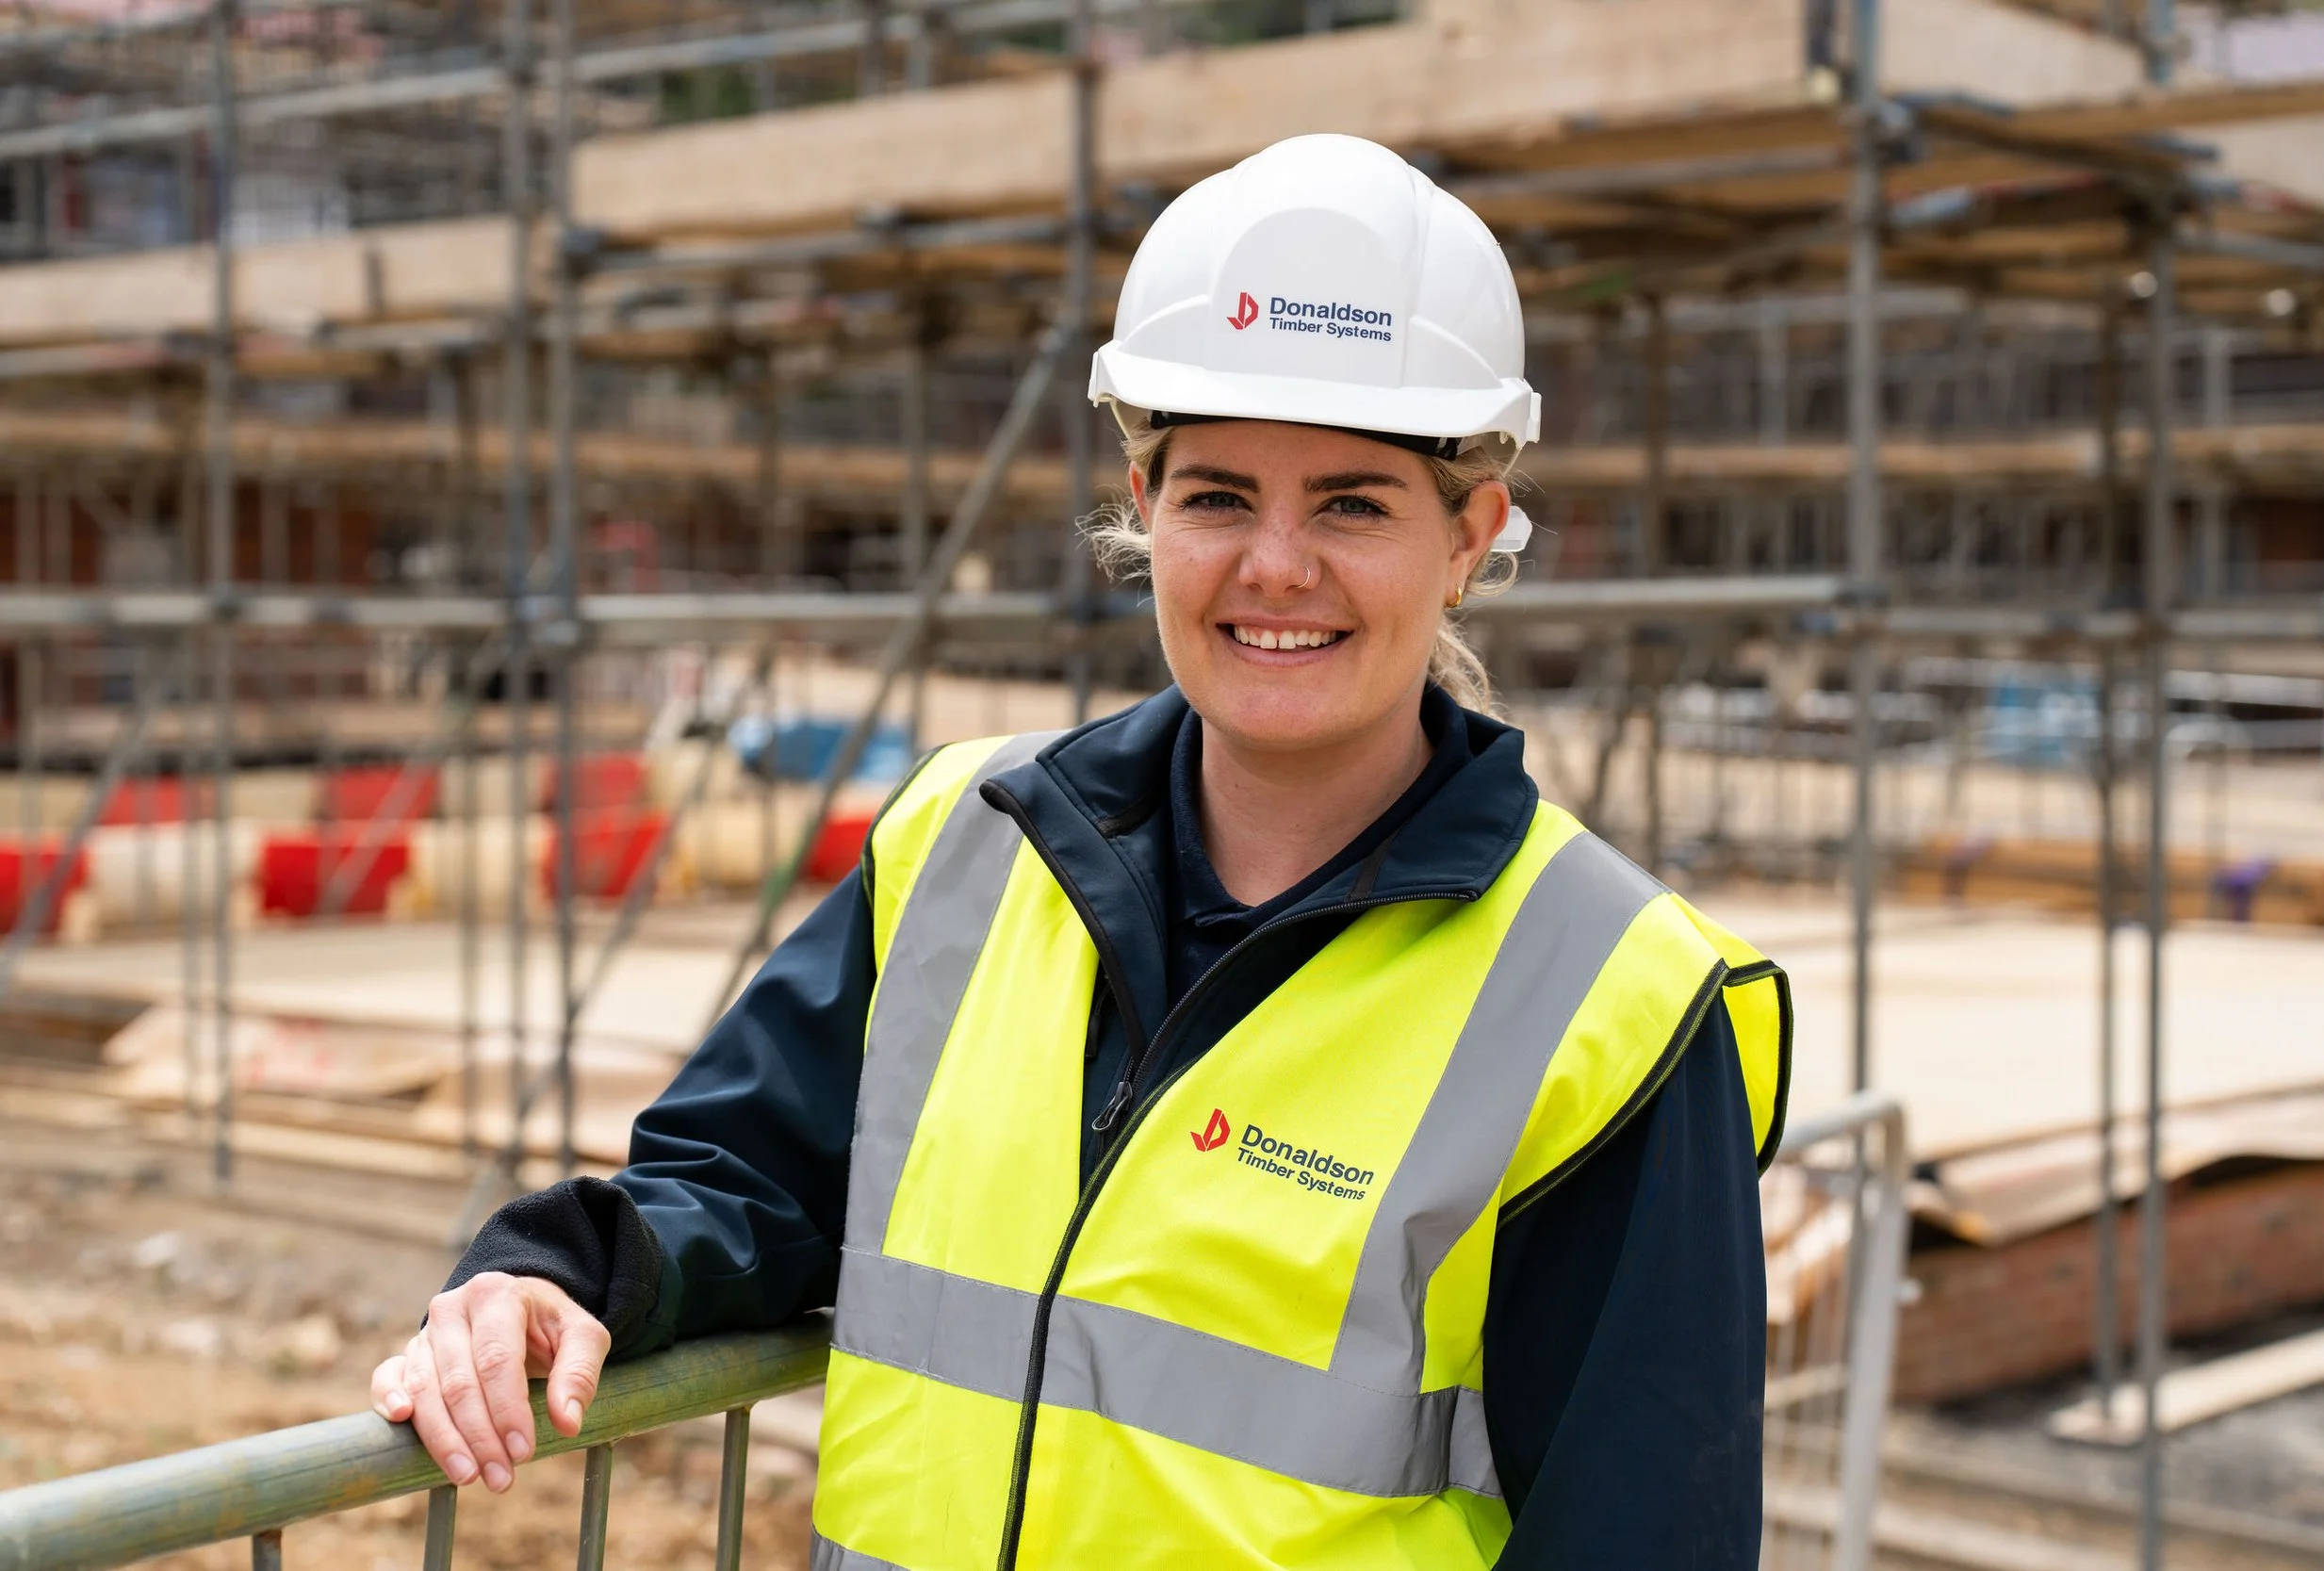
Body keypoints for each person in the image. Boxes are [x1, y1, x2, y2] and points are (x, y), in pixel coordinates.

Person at [372, 133, 1790, 1569]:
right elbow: (744, 1178)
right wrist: (562, 1269)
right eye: (1219, 494)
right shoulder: (965, 844)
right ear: (1144, 502)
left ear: (1470, 533)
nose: (1275, 566)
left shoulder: (1608, 1006)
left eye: (1352, 503)